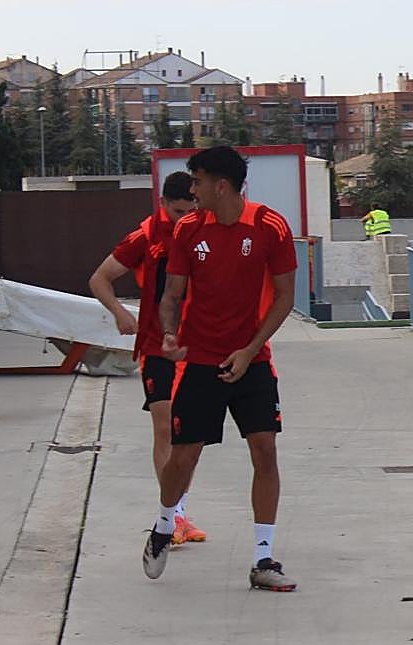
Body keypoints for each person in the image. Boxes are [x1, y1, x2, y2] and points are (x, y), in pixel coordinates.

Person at [142, 146, 298, 592]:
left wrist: (251, 350)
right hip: (201, 361)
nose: (192, 191)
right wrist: (170, 336)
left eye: (197, 182)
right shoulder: (189, 229)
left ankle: (263, 558)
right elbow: (172, 295)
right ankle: (164, 522)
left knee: (265, 450)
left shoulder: (270, 225)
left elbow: (285, 297)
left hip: (252, 360)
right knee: (184, 457)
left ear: (221, 185)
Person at [89, 170, 206, 545]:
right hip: (157, 346)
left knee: (190, 436)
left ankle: (179, 507)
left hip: (197, 346)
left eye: (190, 211)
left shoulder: (207, 232)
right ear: (162, 205)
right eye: (176, 212)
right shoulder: (146, 236)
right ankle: (175, 518)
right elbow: (99, 279)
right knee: (163, 425)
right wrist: (120, 313)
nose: (183, 219)